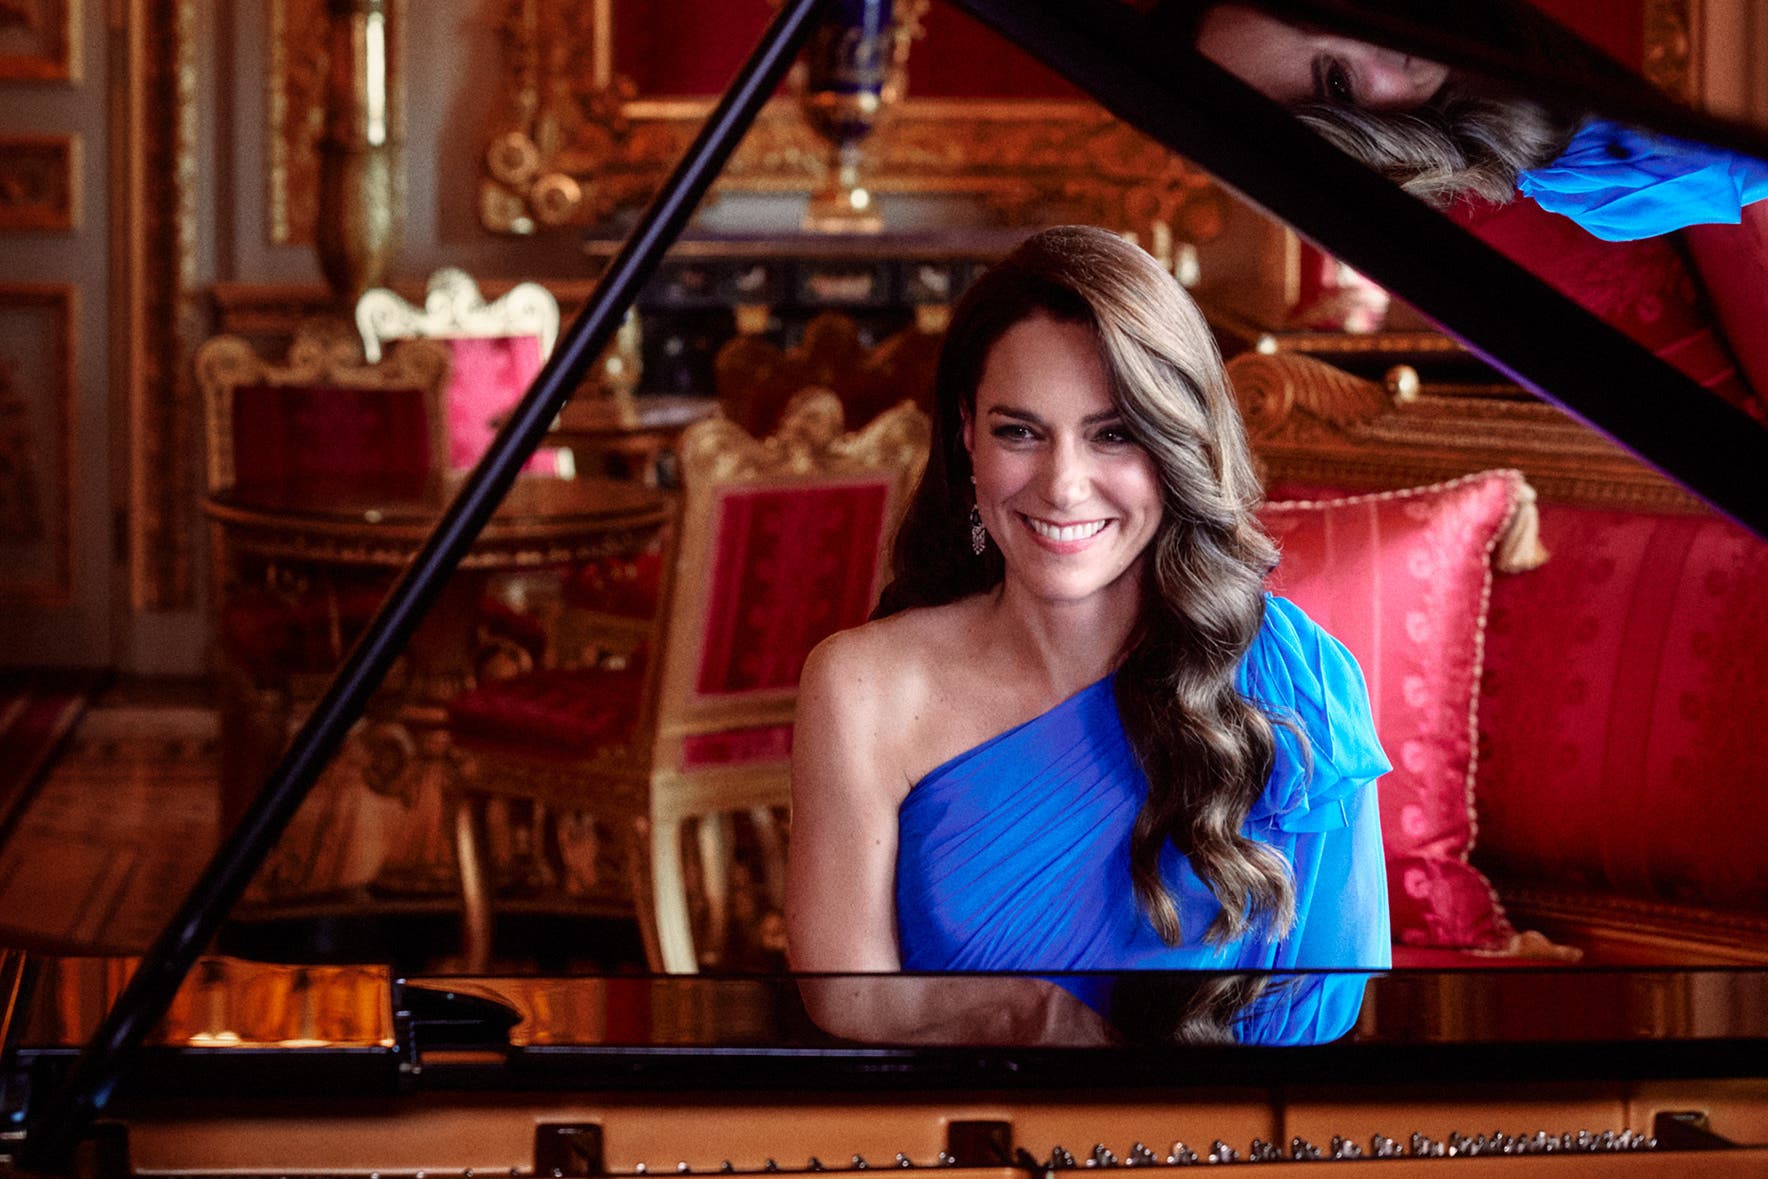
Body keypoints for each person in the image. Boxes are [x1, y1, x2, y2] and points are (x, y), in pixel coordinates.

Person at [786, 226, 1391, 1047]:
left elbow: (1325, 1022)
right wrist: (1023, 1010)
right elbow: (844, 999)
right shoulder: (860, 685)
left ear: (1178, 443)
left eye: (1113, 433)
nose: (1063, 486)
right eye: (1019, 431)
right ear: (967, 433)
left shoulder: (1302, 681)